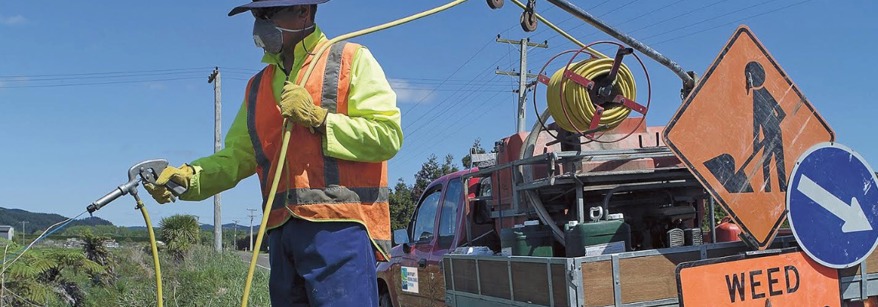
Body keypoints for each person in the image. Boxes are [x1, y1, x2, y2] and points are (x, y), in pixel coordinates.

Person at [144, 1, 402, 305]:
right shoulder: (259, 86)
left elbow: (387, 136)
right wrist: (189, 178)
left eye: (268, 13)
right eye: (256, 14)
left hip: (340, 230)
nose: (259, 22)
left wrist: (319, 119)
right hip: (281, 235)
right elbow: (239, 155)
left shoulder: (349, 59)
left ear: (303, 11)